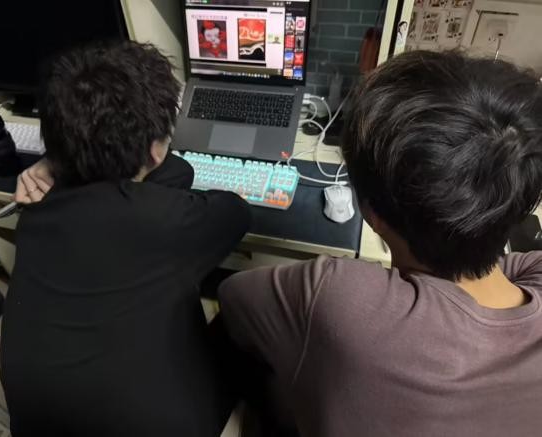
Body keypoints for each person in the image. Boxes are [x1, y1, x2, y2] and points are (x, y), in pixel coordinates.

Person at [217, 50, 542, 436]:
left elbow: (232, 298)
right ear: (522, 202)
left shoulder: (339, 297)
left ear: (371, 214)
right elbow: (518, 265)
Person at [0, 41, 251, 436]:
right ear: (155, 152)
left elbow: (176, 172)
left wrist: (60, 159)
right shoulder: (167, 221)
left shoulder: (35, 211)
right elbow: (237, 211)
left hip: (38, 425)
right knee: (243, 317)